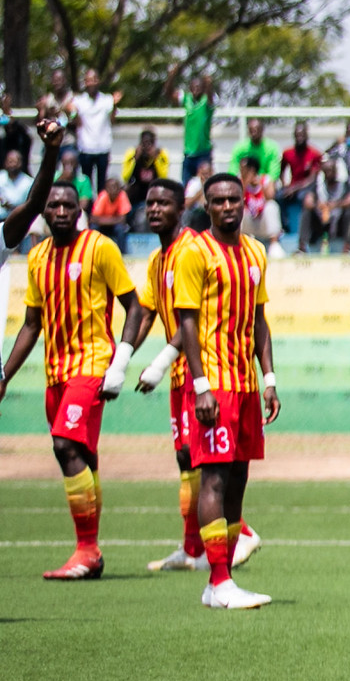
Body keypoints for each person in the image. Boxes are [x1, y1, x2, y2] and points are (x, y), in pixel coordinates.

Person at [0, 175, 141, 579]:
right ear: (43, 212)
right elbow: (32, 324)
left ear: (80, 209)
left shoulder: (100, 247)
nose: (61, 211)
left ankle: (86, 549)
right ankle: (92, 555)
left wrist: (120, 363)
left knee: (65, 445)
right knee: (84, 457)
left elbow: (134, 306)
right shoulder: (38, 256)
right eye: (53, 206)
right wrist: (4, 375)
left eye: (68, 205)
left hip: (92, 365)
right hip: (56, 374)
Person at [125, 180, 263, 574]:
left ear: (181, 208)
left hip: (203, 373)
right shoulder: (159, 259)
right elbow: (147, 312)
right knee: (188, 459)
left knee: (210, 464)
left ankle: (235, 536)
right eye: (150, 203)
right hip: (183, 375)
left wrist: (161, 361)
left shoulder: (192, 249)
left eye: (163, 203)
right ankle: (192, 547)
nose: (154, 210)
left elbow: (194, 319)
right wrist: (122, 360)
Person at [170, 174, 280, 608]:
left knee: (237, 479)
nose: (228, 206)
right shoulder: (194, 252)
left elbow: (259, 320)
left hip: (246, 385)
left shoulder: (255, 252)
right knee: (213, 477)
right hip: (213, 382)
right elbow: (187, 322)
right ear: (208, 206)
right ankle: (218, 581)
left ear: (244, 202)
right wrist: (200, 386)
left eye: (234, 199)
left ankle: (223, 581)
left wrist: (268, 379)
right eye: (218, 201)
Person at [71, 69, 119, 192]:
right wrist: (71, 111)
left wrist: (115, 105)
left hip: (103, 147)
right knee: (86, 182)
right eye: (88, 80)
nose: (91, 83)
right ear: (85, 82)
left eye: (94, 80)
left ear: (98, 81)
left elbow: (113, 120)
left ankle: (100, 204)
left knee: (102, 184)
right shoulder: (79, 101)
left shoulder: (107, 100)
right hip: (85, 147)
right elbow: (75, 121)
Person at [277, 121, 324, 241]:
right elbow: (281, 171)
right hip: (293, 187)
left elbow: (312, 179)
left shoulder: (314, 154)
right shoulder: (287, 153)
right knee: (278, 196)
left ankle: (306, 235)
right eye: (297, 135)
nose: (300, 138)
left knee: (306, 199)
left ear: (307, 135)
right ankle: (284, 227)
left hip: (308, 188)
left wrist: (294, 189)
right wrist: (285, 185)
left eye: (302, 135)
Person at [177, 74, 216, 182]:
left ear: (203, 89)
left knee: (206, 184)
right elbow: (169, 93)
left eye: (199, 87)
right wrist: (172, 75)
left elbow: (210, 97)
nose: (196, 89)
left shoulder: (206, 101)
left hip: (203, 153)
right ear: (190, 88)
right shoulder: (187, 99)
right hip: (188, 154)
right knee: (186, 187)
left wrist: (209, 84)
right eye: (193, 87)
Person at [89, 176, 130, 245]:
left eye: (115, 187)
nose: (113, 190)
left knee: (120, 229)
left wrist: (103, 220)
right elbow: (94, 219)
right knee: (94, 228)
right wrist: (115, 219)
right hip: (102, 226)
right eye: (110, 187)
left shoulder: (122, 195)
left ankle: (121, 251)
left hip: (114, 226)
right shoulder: (102, 196)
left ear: (119, 189)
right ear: (106, 189)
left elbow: (122, 220)